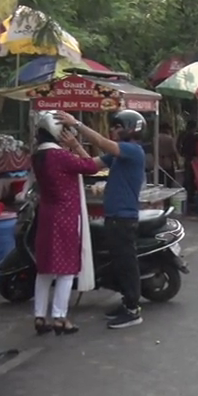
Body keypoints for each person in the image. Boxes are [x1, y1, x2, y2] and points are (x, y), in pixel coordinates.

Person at [60, 108, 147, 330]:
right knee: (118, 263)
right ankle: (127, 302)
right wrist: (74, 146)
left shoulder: (132, 151)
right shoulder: (118, 155)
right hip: (114, 217)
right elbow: (91, 165)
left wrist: (76, 124)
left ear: (129, 129)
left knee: (127, 265)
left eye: (117, 127)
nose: (112, 130)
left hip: (124, 218)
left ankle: (133, 310)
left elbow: (100, 141)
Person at [29, 113, 103, 336]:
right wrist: (77, 145)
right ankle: (60, 317)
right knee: (66, 269)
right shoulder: (59, 156)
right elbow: (91, 167)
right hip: (66, 216)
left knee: (44, 269)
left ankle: (40, 316)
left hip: (46, 214)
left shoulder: (38, 156)